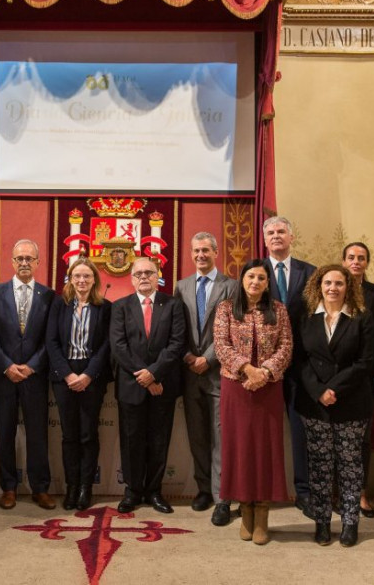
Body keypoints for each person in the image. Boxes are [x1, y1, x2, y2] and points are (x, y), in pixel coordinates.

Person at [296, 265, 374, 547]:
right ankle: (321, 523)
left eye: (339, 283)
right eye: (327, 283)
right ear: (319, 285)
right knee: (319, 466)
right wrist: (319, 391)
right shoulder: (306, 317)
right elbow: (300, 360)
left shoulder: (362, 317)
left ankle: (350, 523)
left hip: (351, 402)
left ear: (348, 287)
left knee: (350, 465)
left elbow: (365, 362)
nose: (333, 288)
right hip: (314, 404)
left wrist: (334, 389)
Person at [213, 260, 292, 545]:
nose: (255, 281)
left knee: (265, 450)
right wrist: (248, 369)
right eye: (251, 276)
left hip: (269, 388)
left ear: (268, 283)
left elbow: (286, 345)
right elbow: (221, 345)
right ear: (242, 280)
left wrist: (266, 372)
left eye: (261, 277)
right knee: (240, 449)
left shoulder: (279, 310)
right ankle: (244, 509)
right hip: (236, 386)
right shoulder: (226, 308)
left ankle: (262, 514)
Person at [110, 257, 186, 514]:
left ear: (157, 276)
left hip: (162, 385)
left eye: (149, 273)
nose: (143, 277)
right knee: (131, 441)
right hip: (131, 387)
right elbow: (119, 346)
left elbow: (176, 344)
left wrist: (153, 374)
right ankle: (132, 491)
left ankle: (154, 491)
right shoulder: (120, 306)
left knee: (158, 440)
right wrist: (142, 376)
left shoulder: (173, 305)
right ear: (131, 278)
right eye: (139, 273)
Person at [0, 239, 56, 510]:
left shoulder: (48, 296)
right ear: (12, 262)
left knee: (37, 434)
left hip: (35, 377)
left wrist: (32, 366)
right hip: (4, 375)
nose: (24, 263)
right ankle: (9, 487)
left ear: (38, 262)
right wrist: (7, 365)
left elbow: (51, 338)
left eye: (30, 258)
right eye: (19, 259)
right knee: (5, 432)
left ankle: (40, 488)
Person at [174, 232, 238, 526]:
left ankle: (221, 496)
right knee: (197, 435)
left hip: (219, 371)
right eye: (196, 250)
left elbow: (230, 328)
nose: (200, 255)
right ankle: (203, 489)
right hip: (189, 373)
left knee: (220, 436)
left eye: (205, 250)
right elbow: (178, 328)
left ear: (216, 252)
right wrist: (189, 356)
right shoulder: (181, 286)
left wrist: (207, 358)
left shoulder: (231, 286)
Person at [45, 258, 112, 510]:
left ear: (94, 279)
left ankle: (85, 487)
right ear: (70, 279)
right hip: (64, 376)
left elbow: (106, 345)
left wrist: (88, 375)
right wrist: (67, 374)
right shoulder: (58, 306)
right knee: (69, 435)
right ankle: (71, 487)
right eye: (77, 276)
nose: (82, 280)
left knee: (88, 434)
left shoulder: (105, 307)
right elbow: (51, 341)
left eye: (87, 276)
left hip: (92, 376)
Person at [261, 216, 316, 514]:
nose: (276, 236)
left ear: (292, 237)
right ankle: (262, 490)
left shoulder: (311, 273)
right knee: (262, 431)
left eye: (281, 231)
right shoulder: (255, 271)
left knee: (301, 430)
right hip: (264, 366)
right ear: (264, 238)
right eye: (270, 232)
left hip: (301, 366)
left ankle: (304, 492)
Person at [342, 242, 374, 517]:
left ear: (367, 263)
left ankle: (361, 494)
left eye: (361, 258)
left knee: (362, 438)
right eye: (351, 257)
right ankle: (338, 492)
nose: (356, 262)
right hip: (336, 376)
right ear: (343, 261)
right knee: (336, 437)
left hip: (366, 376)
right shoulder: (331, 286)